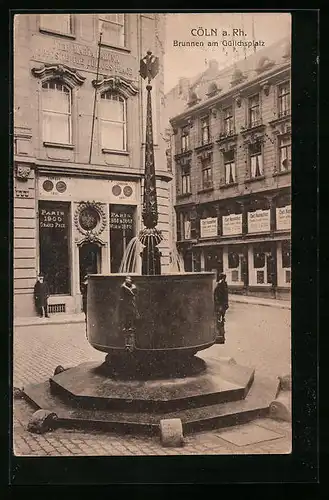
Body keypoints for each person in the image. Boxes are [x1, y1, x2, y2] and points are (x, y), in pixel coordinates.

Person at [119, 276, 140, 351]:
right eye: (126, 279)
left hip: (132, 305)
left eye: (128, 279)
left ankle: (131, 329)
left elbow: (131, 292)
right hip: (127, 305)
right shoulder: (125, 286)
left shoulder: (133, 287)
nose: (127, 280)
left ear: (131, 280)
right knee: (127, 318)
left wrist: (124, 286)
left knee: (132, 317)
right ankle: (127, 330)